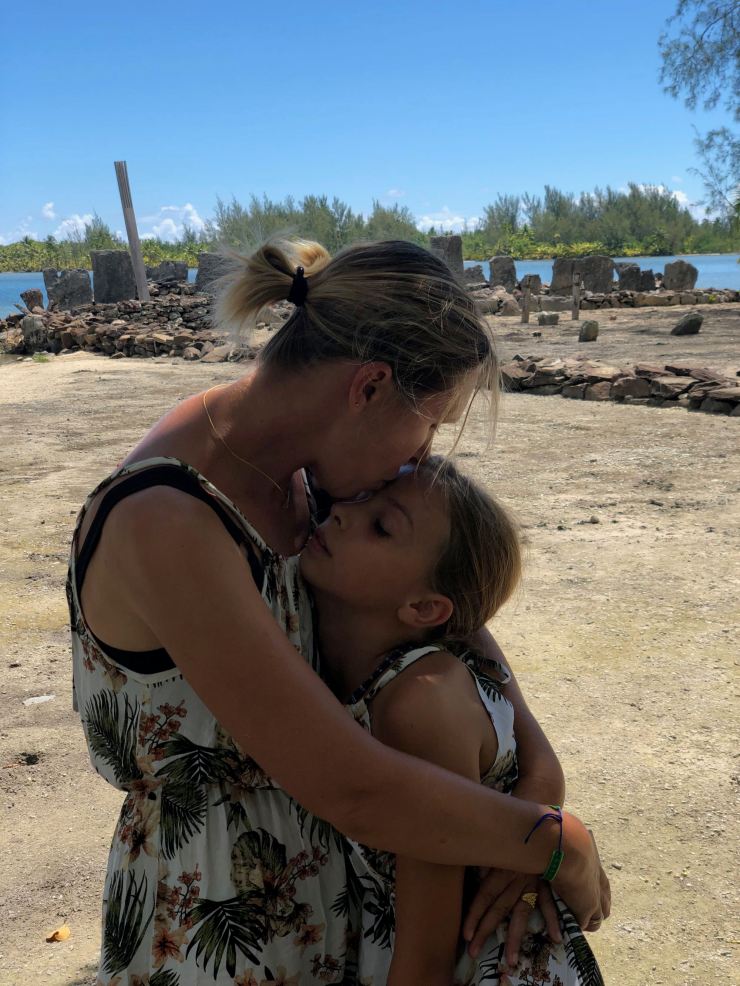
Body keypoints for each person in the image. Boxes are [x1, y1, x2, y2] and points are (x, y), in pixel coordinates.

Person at [67, 239, 609, 984]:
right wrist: (556, 843)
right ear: (370, 387)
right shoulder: (166, 517)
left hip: (340, 914)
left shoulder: (319, 486)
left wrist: (541, 787)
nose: (418, 458)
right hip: (215, 928)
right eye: (430, 426)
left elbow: (463, 636)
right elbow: (350, 786)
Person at [300, 456, 604, 985]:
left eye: (382, 526)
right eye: (359, 501)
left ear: (423, 608)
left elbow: (427, 953)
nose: (345, 515)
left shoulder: (418, 705)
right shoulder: (400, 670)